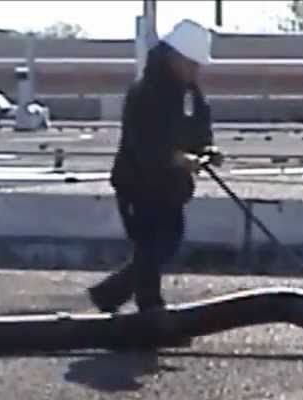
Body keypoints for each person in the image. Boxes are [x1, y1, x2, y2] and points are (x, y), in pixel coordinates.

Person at [87, 19, 224, 333]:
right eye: (191, 63)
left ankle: (111, 295)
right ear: (173, 58)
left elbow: (198, 129)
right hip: (138, 185)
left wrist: (207, 149)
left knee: (166, 243)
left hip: (170, 188)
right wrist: (175, 158)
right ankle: (149, 309)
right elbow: (144, 143)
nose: (195, 71)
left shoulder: (190, 95)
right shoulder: (145, 93)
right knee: (152, 245)